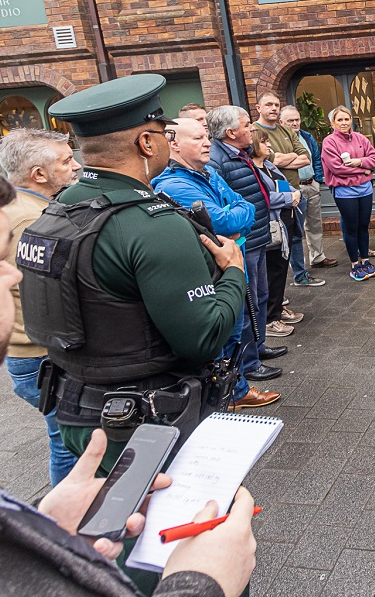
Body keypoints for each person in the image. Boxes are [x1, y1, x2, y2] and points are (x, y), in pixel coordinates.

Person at [0, 122, 256, 597]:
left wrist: (45, 531)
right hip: (148, 406)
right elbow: (202, 335)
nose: (11, 276)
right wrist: (200, 583)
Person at [18, 75, 249, 478]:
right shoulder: (150, 224)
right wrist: (233, 273)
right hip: (145, 423)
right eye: (163, 132)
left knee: (99, 523)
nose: (165, 140)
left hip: (76, 407)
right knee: (160, 533)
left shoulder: (56, 213)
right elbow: (203, 337)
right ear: (146, 142)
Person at [151, 118, 280, 410]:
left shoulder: (208, 172)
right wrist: (232, 218)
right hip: (212, 270)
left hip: (232, 258)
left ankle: (235, 391)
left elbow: (245, 206)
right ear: (174, 144)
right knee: (224, 333)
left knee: (237, 328)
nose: (207, 142)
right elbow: (223, 221)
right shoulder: (175, 184)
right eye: (198, 138)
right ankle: (222, 398)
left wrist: (234, 220)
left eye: (207, 136)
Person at [0, 128, 82, 486]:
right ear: (38, 174)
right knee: (67, 442)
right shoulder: (31, 220)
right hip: (40, 356)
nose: (76, 166)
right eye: (66, 161)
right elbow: (54, 294)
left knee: (67, 438)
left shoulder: (25, 207)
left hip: (34, 352)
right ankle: (68, 527)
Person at [207, 105, 285, 382]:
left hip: (258, 236)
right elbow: (222, 206)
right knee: (248, 303)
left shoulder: (240, 154)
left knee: (261, 297)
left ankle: (259, 346)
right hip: (243, 243)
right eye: (246, 124)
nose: (252, 129)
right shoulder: (216, 160)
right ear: (230, 132)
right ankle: (249, 364)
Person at [253, 93, 324, 315]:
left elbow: (305, 156)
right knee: (274, 249)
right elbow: (265, 160)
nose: (273, 108)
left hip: (293, 195)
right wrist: (283, 158)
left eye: (276, 104)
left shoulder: (284, 130)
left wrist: (281, 158)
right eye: (269, 105)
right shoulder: (255, 132)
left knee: (294, 238)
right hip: (273, 201)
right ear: (258, 108)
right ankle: (275, 299)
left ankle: (297, 278)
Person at [250, 126, 307, 337]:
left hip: (285, 221)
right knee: (272, 270)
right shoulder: (252, 171)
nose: (269, 145)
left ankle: (277, 309)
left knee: (281, 268)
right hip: (270, 225)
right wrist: (287, 199)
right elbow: (262, 197)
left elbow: (284, 185)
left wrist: (295, 193)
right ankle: (269, 319)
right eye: (264, 142)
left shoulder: (269, 166)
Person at [319, 106, 375, 282]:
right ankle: (355, 264)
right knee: (351, 228)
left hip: (365, 190)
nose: (344, 123)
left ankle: (365, 261)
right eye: (340, 120)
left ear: (351, 120)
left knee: (363, 226)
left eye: (346, 119)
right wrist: (364, 171)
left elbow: (374, 158)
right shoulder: (329, 142)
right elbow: (336, 169)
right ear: (333, 123)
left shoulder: (361, 138)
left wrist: (359, 161)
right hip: (345, 192)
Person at [279, 105, 337, 270]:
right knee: (293, 228)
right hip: (292, 189)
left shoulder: (306, 136)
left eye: (297, 119)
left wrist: (317, 180)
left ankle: (318, 257)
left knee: (315, 224)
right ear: (281, 122)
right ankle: (296, 265)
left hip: (311, 185)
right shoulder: (279, 140)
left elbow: (316, 159)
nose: (295, 123)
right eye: (291, 121)